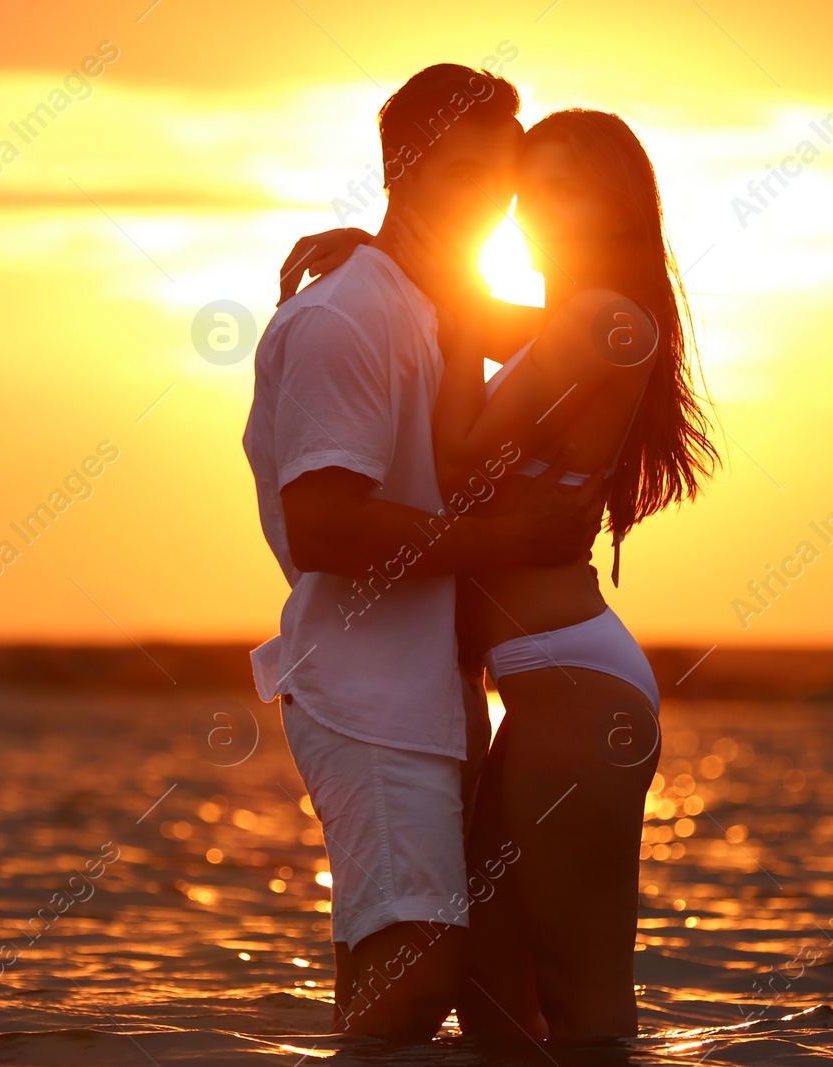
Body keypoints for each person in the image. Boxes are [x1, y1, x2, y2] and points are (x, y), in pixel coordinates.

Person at [278, 108, 719, 1044]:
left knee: (583, 1004)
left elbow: (460, 449)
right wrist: (378, 254)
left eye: (566, 188)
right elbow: (451, 310)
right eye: (531, 190)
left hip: (570, 681)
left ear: (612, 205)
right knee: (488, 998)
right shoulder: (573, 319)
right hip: (543, 687)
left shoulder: (601, 319)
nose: (535, 208)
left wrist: (404, 287)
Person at [241, 64, 607, 1044]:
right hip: (366, 690)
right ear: (400, 168)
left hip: (433, 689)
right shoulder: (343, 318)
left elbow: (587, 345)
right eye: (459, 172)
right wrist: (511, 539)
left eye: (501, 179)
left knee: (419, 971)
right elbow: (324, 526)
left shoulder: (436, 302)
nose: (485, 197)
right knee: (417, 972)